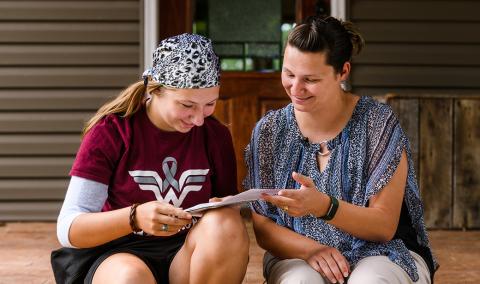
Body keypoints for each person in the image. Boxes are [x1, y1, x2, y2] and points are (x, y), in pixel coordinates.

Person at [244, 16, 437, 284]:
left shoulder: (377, 123)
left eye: (310, 79)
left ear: (343, 72)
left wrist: (323, 206)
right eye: (289, 74)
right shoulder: (269, 131)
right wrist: (311, 249)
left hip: (383, 251)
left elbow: (383, 226)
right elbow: (264, 228)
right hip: (298, 252)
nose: (295, 88)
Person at [51, 33, 249, 284]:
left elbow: (225, 211)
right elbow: (68, 229)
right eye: (187, 105)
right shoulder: (112, 131)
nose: (199, 119)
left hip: (186, 254)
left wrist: (223, 208)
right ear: (155, 90)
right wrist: (134, 217)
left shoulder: (215, 135)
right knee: (129, 277)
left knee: (227, 224)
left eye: (210, 104)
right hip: (118, 254)